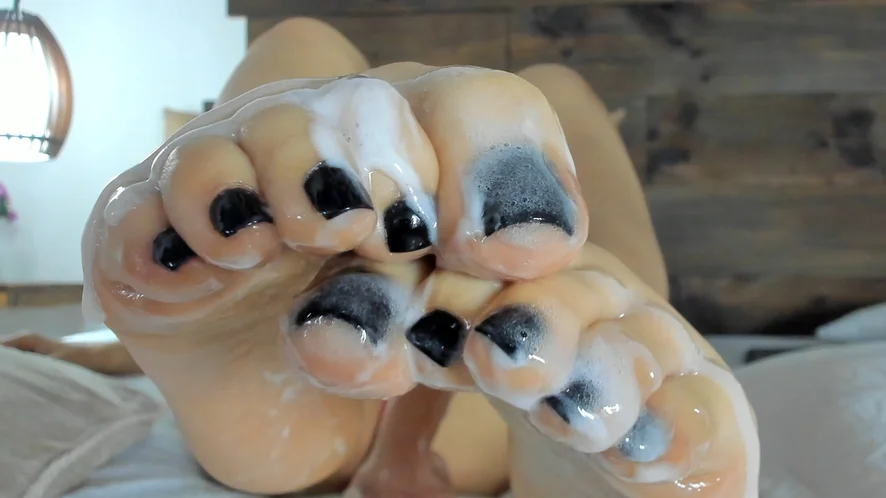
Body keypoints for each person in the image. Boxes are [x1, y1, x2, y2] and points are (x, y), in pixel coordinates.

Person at [4, 18, 759, 498]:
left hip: (333, 342)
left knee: (301, 42)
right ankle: (582, 356)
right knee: (554, 116)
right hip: (485, 381)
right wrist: (106, 352)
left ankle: (321, 215)